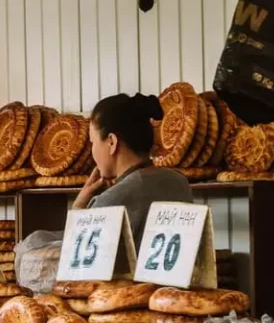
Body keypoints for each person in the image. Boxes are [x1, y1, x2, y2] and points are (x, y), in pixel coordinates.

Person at [73, 93, 194, 245]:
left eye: (93, 142)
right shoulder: (179, 182)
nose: (92, 151)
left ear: (112, 142)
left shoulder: (110, 201)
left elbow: (75, 257)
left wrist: (78, 206)